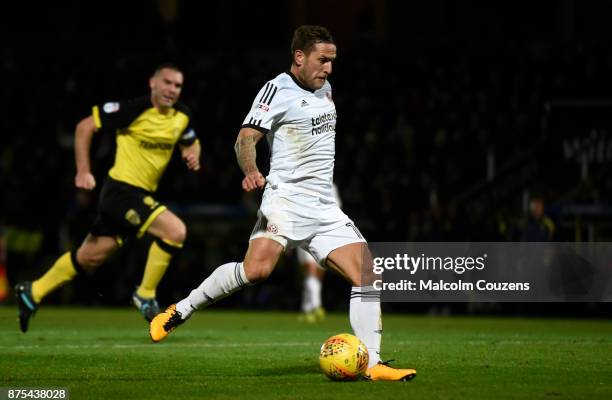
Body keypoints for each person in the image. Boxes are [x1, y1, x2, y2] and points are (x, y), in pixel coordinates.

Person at [150, 26, 416, 381]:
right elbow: (245, 139)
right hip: (285, 202)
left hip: (322, 207)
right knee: (256, 271)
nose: (329, 69)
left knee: (367, 274)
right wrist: (251, 169)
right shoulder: (277, 90)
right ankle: (182, 309)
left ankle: (373, 365)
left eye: (333, 61)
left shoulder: (325, 88)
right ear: (299, 57)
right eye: (323, 60)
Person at [15, 63, 201, 332]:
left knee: (90, 256)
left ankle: (32, 291)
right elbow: (84, 127)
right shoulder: (132, 110)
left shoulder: (182, 115)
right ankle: (146, 294)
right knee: (175, 231)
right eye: (167, 83)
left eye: (178, 85)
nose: (172, 89)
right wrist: (83, 171)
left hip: (138, 195)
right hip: (122, 192)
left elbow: (190, 140)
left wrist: (192, 153)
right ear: (153, 83)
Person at [298, 183, 341, 323]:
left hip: (323, 235)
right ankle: (317, 306)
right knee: (310, 271)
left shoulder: (331, 186)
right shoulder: (300, 184)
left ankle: (306, 309)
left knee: (317, 274)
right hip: (303, 234)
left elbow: (336, 208)